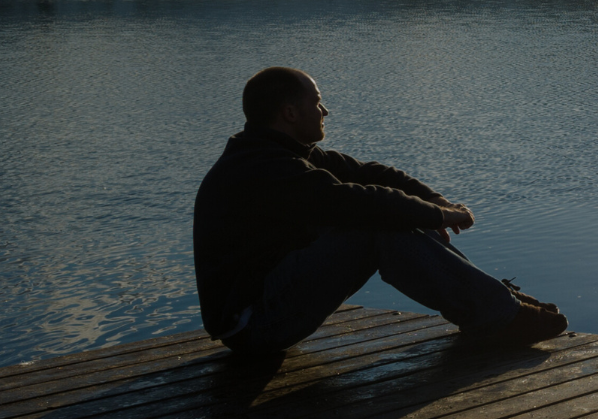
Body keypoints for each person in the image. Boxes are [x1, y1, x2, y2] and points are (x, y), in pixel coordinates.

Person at [193, 66, 567, 354]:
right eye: (317, 101)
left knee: (390, 215)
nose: (325, 110)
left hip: (267, 309)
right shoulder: (264, 168)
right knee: (375, 226)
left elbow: (371, 174)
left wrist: (434, 201)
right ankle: (499, 315)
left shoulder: (282, 154)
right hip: (253, 325)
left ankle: (494, 309)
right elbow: (359, 202)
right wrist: (438, 217)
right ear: (290, 113)